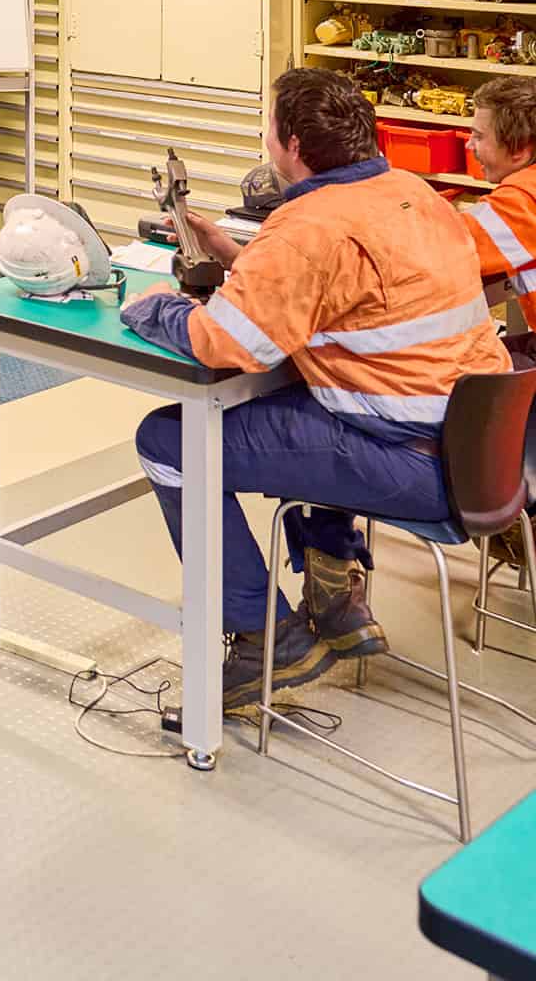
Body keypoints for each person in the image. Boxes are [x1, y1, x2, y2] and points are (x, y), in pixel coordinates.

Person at [121, 68, 509, 711]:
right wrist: (242, 258)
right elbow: (351, 288)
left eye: (270, 128)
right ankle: (336, 598)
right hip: (482, 455)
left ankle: (264, 638)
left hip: (411, 464)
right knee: (298, 404)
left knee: (169, 441)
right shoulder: (416, 193)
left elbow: (226, 343)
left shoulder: (306, 225)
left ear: (294, 144)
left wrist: (155, 308)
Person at [459, 75, 536, 365]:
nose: (470, 145)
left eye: (479, 136)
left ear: (519, 150)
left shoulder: (520, 202)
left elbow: (443, 246)